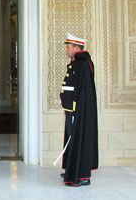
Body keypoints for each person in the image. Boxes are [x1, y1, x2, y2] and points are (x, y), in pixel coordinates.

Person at [59, 33, 98, 187]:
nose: (67, 50)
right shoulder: (77, 63)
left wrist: (77, 111)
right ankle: (72, 169)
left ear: (77, 47)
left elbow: (83, 92)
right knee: (71, 139)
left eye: (68, 47)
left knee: (79, 139)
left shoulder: (82, 64)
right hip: (72, 109)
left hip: (77, 110)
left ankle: (81, 176)